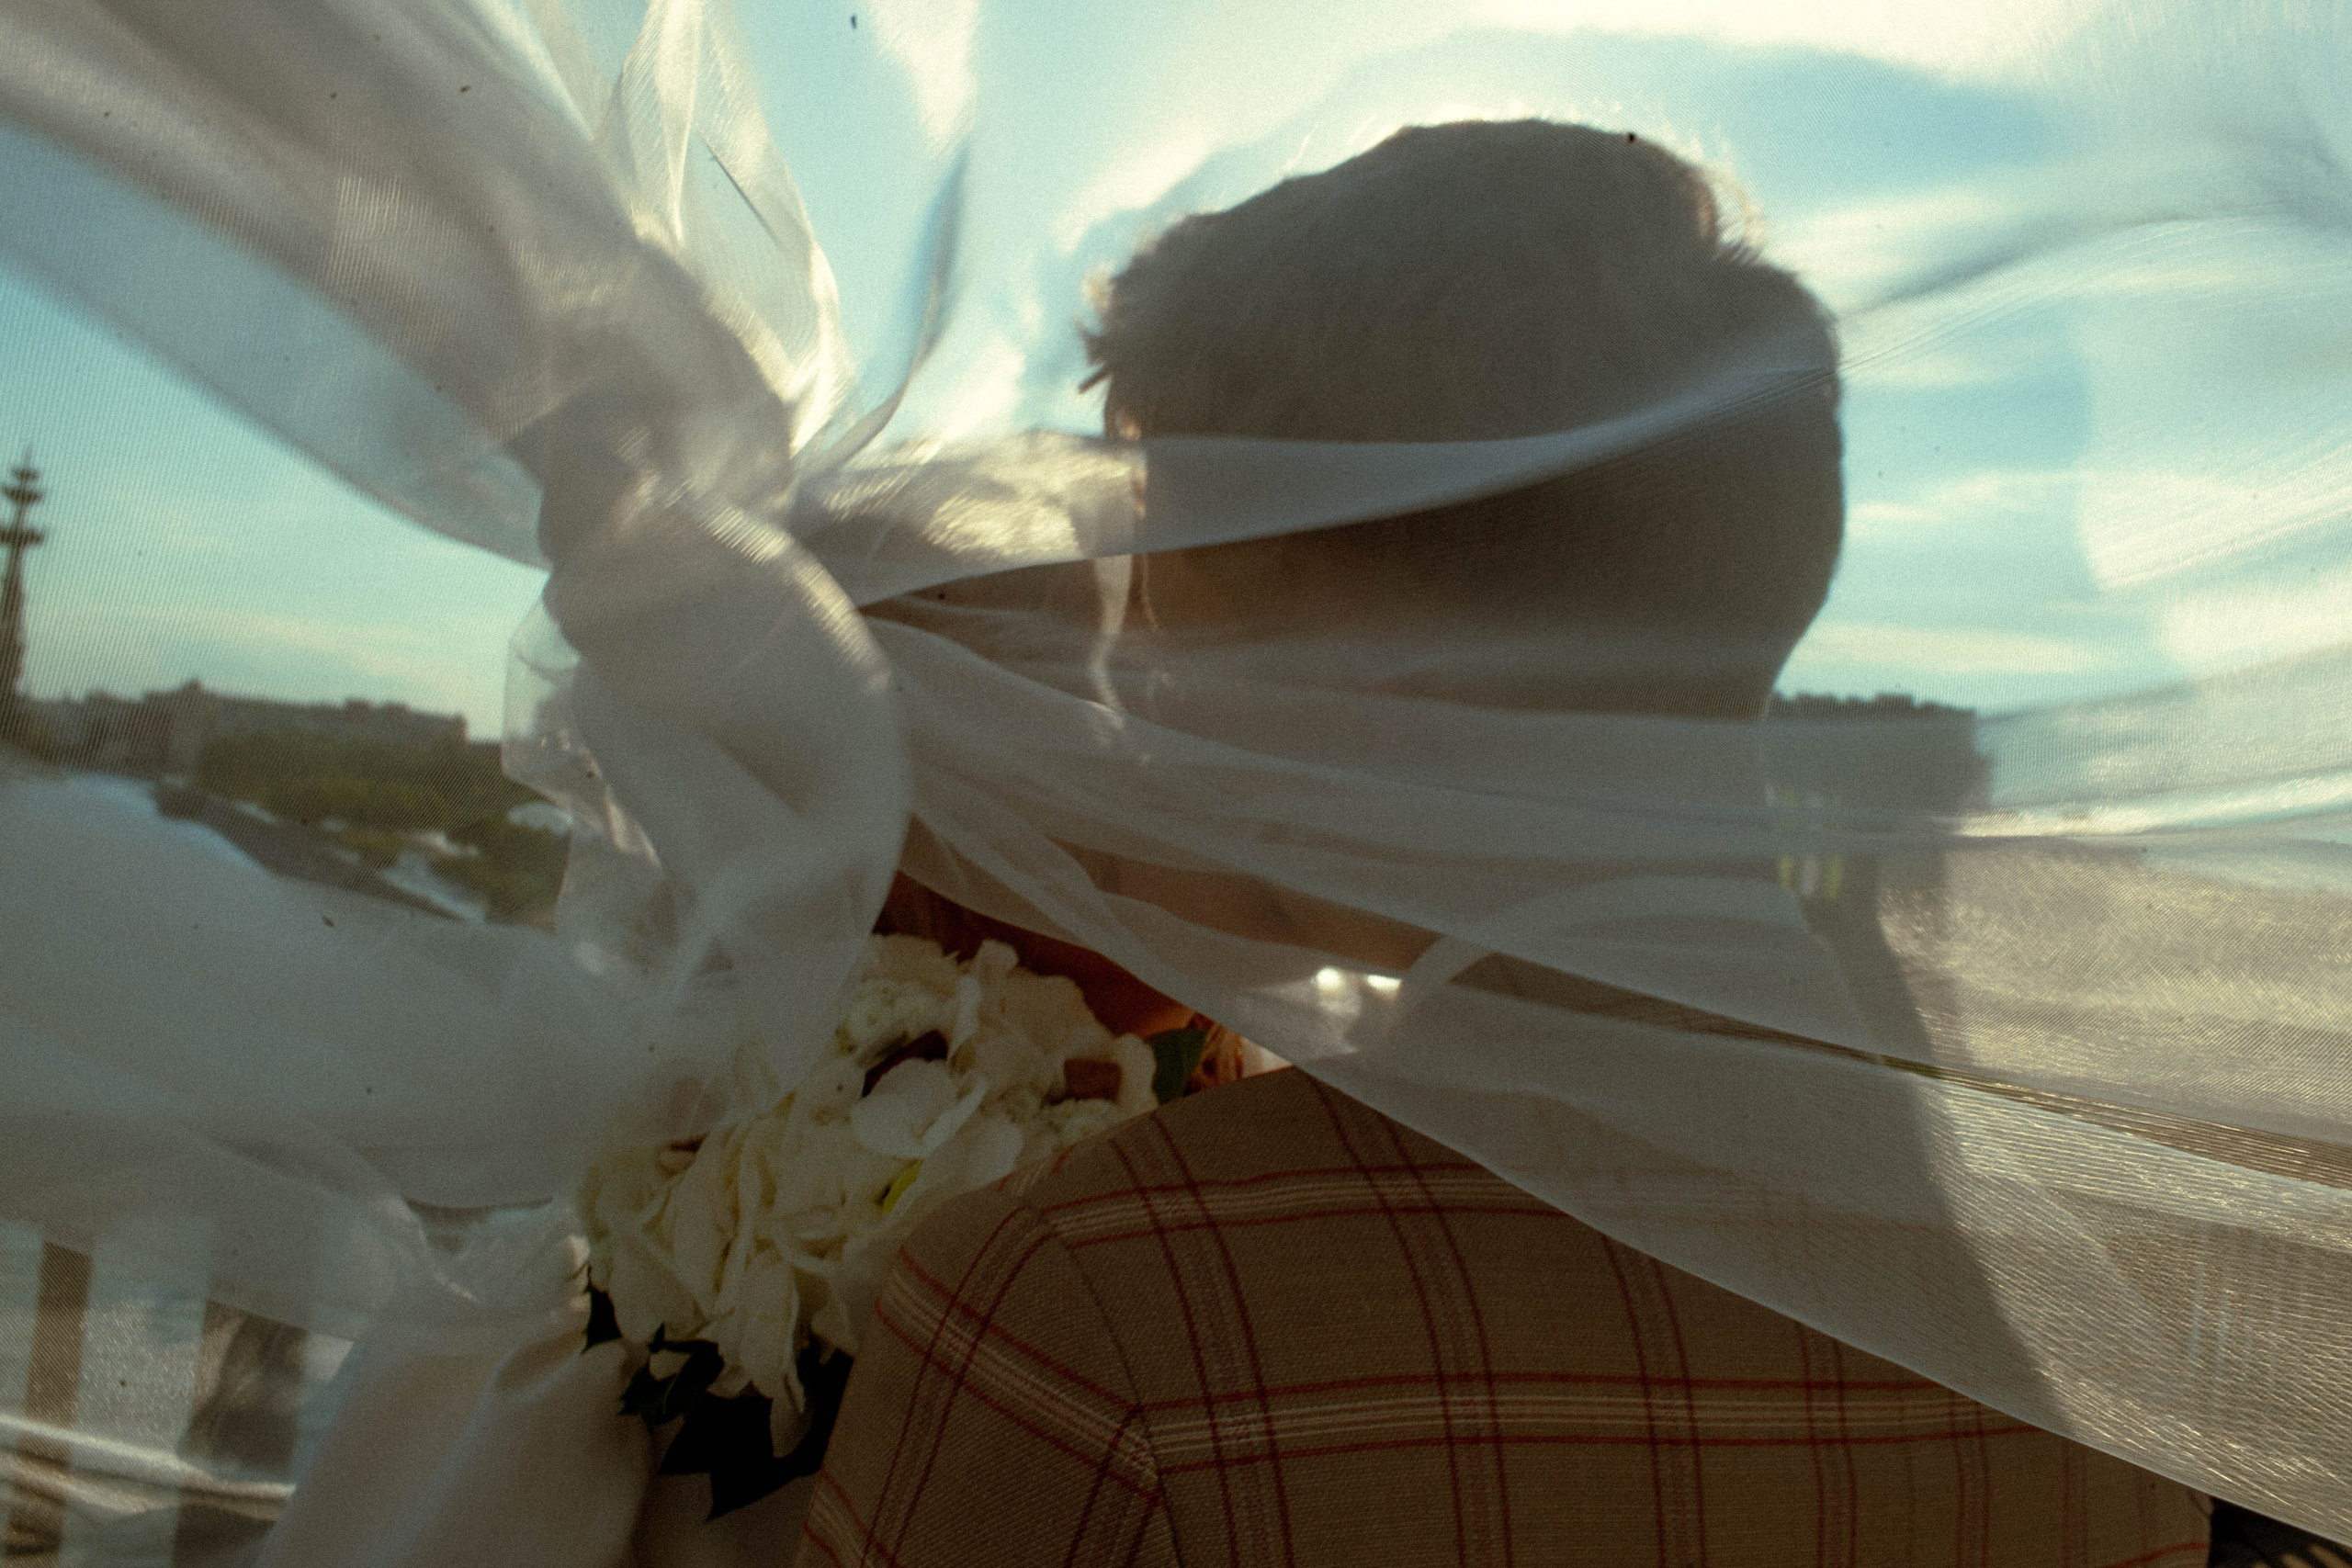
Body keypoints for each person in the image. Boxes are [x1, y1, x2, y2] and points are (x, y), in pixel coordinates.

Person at [794, 121, 2211, 1567]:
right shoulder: (2102, 1336)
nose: (1136, 697)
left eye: (1166, 605)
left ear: (1365, 669)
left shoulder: (1091, 1321)